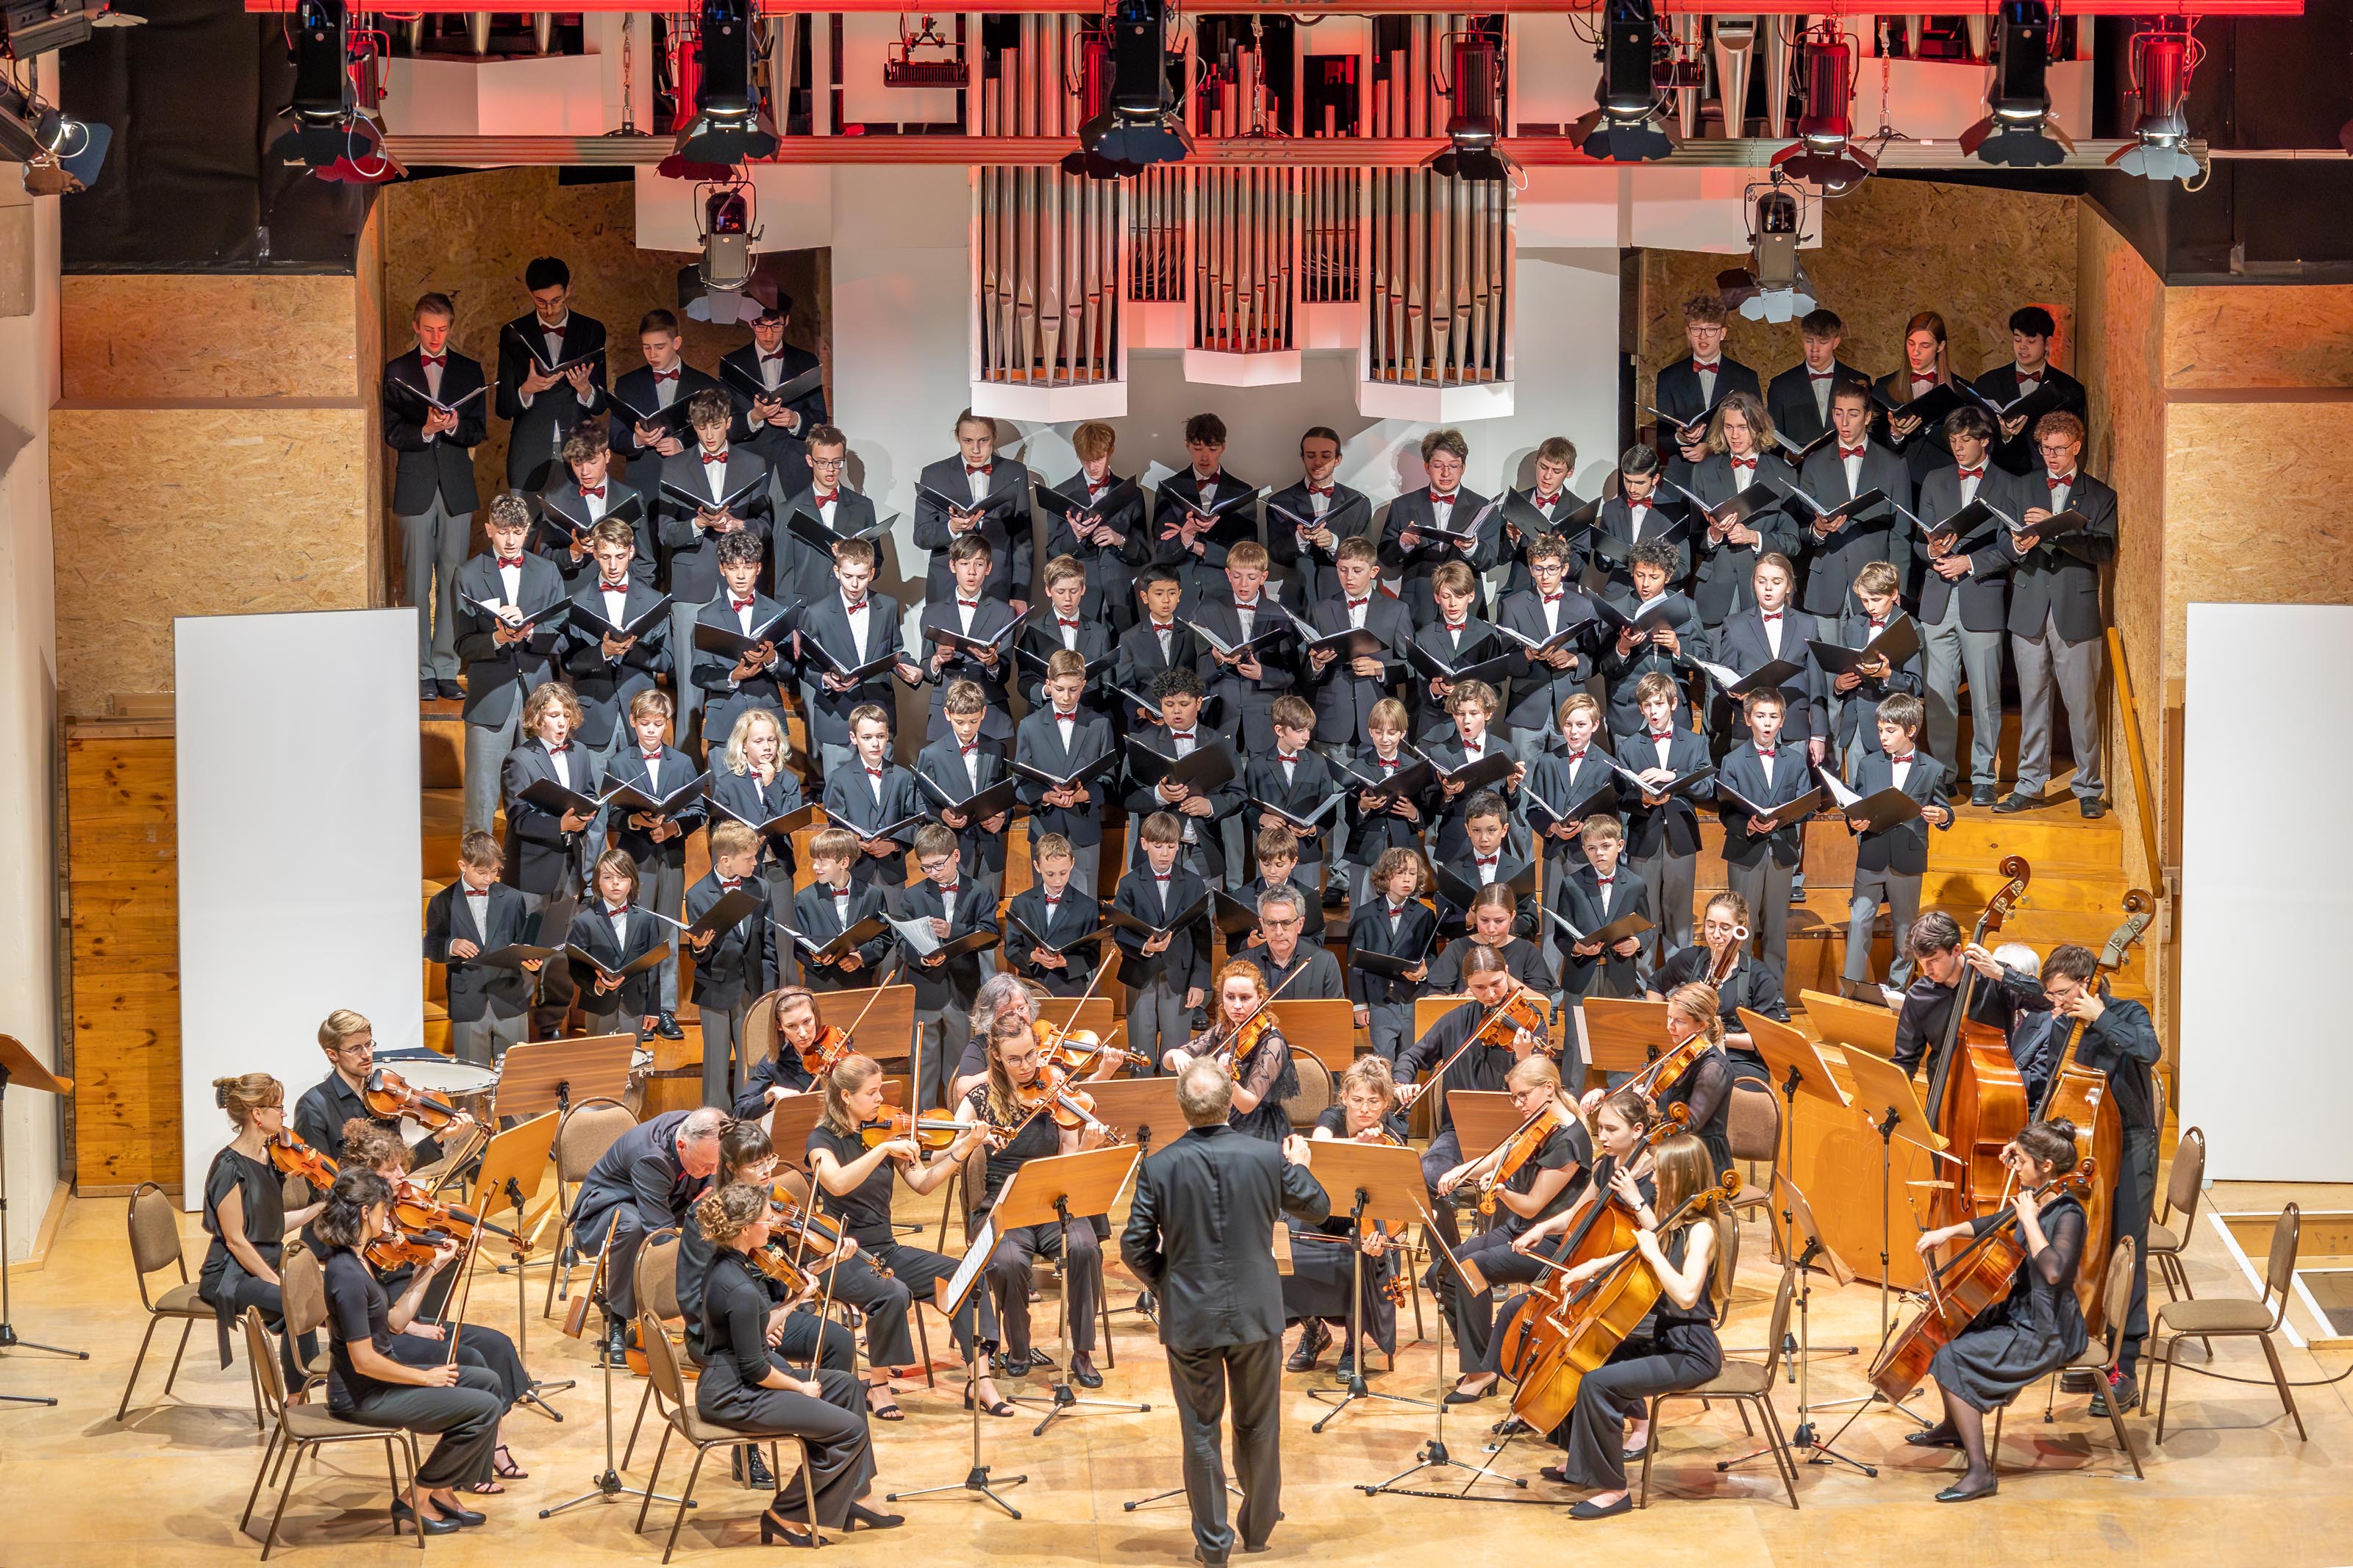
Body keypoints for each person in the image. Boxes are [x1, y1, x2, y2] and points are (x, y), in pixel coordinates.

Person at [1121, 1059, 1329, 1566]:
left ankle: (1214, 1546)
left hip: (1191, 1316)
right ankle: (1258, 1531)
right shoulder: (1265, 1156)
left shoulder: (1160, 1165)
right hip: (1257, 1314)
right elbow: (1318, 1206)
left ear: (1182, 1107)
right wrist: (1299, 1163)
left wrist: (1166, 1283)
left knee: (1200, 1429)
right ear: (1226, 1103)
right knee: (1259, 1425)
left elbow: (1133, 1246)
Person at [1532, 1131, 1730, 1518]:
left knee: (1597, 1384)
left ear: (1682, 1176)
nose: (1653, 1181)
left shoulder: (1703, 1230)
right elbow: (1638, 1248)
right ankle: (1581, 1464)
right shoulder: (1675, 1219)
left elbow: (1687, 1295)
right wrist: (1592, 1266)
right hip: (1667, 1339)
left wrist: (1655, 1255)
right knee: (1587, 1357)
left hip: (1692, 1351)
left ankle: (1613, 1489)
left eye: (1660, 1174)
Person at [805, 1051, 1013, 1417]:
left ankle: (979, 1380)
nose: (881, 1100)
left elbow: (923, 1182)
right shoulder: (821, 1141)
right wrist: (884, 1149)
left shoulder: (888, 1130)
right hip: (841, 1255)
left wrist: (963, 1148)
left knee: (964, 1275)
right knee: (893, 1293)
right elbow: (836, 1184)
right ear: (846, 1097)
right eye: (872, 1094)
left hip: (885, 1249)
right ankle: (878, 1386)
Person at [690, 1182, 896, 1544]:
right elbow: (756, 1368)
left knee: (847, 1386)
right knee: (849, 1430)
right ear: (745, 1230)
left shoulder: (729, 1264)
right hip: (735, 1395)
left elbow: (754, 1328)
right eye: (765, 1219)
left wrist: (794, 1299)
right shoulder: (735, 1286)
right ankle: (784, 1515)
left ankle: (854, 1494)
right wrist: (801, 1387)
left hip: (741, 1378)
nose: (771, 1224)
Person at [335, 1122, 528, 1492]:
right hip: (388, 1335)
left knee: (497, 1345)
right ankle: (474, 1467)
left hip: (406, 1318)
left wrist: (457, 1234)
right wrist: (412, 1325)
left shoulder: (395, 1212)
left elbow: (418, 1255)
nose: (402, 1175)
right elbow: (366, 1314)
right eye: (391, 1169)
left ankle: (492, 1446)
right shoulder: (355, 1240)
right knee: (469, 1358)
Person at [315, 1167, 507, 1536]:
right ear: (363, 1212)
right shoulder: (345, 1275)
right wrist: (425, 1377)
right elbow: (364, 1360)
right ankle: (414, 1497)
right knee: (484, 1409)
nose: (388, 1217)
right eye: (383, 1210)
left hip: (380, 1381)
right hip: (362, 1396)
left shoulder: (360, 1260)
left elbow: (396, 1321)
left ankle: (443, 1492)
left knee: (487, 1382)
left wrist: (431, 1268)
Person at [1905, 1120, 2090, 1502]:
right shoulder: (2035, 1193)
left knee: (1953, 1359)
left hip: (2048, 1329)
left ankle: (1979, 1472)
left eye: (2021, 1160)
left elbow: (2055, 1271)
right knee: (1946, 1332)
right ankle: (1955, 1427)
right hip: (2021, 1310)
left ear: (2047, 1166)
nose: (2015, 1165)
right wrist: (1948, 1232)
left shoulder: (2068, 1211)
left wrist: (2029, 1220)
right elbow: (1996, 1223)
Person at [958, 1017, 1115, 1388]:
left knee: (1085, 1247)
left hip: (1053, 1194)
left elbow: (1069, 1154)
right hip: (1002, 1200)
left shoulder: (1055, 1085)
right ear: (996, 1057)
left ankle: (1082, 1351)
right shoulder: (979, 1098)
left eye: (1031, 1054)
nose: (1027, 1066)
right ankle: (1018, 1347)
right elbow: (950, 1145)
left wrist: (1088, 1147)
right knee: (1007, 1261)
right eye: (1015, 1059)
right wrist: (970, 1141)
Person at [2040, 944, 2163, 1414]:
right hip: (2083, 1150)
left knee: (2126, 1246)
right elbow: (2055, 1085)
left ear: (2089, 986)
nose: (2057, 1003)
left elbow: (2149, 1053)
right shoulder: (2064, 1026)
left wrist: (2101, 1019)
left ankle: (2124, 1367)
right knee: (2084, 1247)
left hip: (2130, 1144)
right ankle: (2085, 1345)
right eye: (2053, 995)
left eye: (2065, 994)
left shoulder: (2130, 1013)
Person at [670, 1121, 857, 1417]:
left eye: (769, 1160)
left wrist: (821, 1266)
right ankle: (748, 1455)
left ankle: (827, 1438)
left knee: (840, 1340)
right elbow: (693, 1296)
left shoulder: (772, 1204)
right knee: (769, 1367)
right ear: (731, 1167)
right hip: (721, 1333)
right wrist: (752, 1328)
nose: (766, 1171)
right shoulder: (707, 1215)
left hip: (769, 1317)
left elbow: (779, 1274)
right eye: (756, 1165)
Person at [1434, 1056, 1590, 1401]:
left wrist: (1503, 1192)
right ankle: (1488, 1355)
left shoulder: (1569, 1140)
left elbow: (1534, 1204)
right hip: (1517, 1230)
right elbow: (1501, 1155)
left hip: (1550, 1242)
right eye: (1514, 1097)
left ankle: (1481, 1370)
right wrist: (1463, 1170)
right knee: (1440, 1271)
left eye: (1522, 1096)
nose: (1518, 1104)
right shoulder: (1539, 1121)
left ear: (1548, 1089)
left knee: (1468, 1270)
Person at [1998, 411, 2115, 820]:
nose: (2051, 456)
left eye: (2059, 449)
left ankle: (2088, 787)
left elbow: (2103, 550)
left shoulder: (2100, 495)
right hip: (2029, 607)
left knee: (2081, 703)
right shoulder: (2023, 485)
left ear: (2077, 447)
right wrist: (2017, 542)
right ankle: (2030, 785)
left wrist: (2055, 530)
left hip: (2075, 608)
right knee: (2032, 701)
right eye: (2045, 448)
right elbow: (2003, 538)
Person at [1395, 948, 1550, 1247]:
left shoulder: (1530, 1020)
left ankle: (1494, 1256)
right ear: (1467, 984)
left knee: (1503, 1178)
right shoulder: (1455, 1021)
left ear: (1507, 974)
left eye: (1497, 984)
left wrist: (1525, 1058)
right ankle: (1451, 1258)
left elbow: (1545, 1084)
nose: (1491, 995)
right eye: (1480, 987)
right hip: (1459, 1133)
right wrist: (1403, 1081)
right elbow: (1413, 1056)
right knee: (1425, 1175)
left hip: (1516, 1136)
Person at [1913, 407, 2024, 805]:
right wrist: (1930, 549)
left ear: (1985, 440)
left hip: (1981, 596)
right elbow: (1918, 540)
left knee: (1985, 694)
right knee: (1938, 693)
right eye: (1954, 442)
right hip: (1939, 600)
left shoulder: (2008, 483)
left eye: (1966, 441)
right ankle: (1943, 774)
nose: (1958, 449)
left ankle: (1982, 776)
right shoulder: (1935, 479)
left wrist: (1971, 562)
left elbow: (2014, 545)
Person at [385, 292, 488, 703]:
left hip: (456, 489)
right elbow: (391, 432)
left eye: (442, 329)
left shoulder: (469, 370)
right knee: (414, 582)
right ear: (415, 326)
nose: (435, 336)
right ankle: (419, 670)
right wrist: (426, 429)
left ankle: (446, 668)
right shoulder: (398, 370)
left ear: (451, 327)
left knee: (452, 581)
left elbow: (478, 431)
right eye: (428, 328)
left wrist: (453, 427)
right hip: (414, 486)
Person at [568, 1105, 726, 1366]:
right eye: (705, 1165)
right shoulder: (650, 1157)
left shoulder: (699, 1130)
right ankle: (618, 1320)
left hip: (668, 1196)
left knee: (721, 1210)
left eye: (715, 1165)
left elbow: (712, 1175)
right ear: (682, 1145)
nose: (712, 1171)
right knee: (632, 1227)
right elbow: (660, 1231)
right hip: (608, 1207)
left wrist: (710, 1191)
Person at [198, 1073, 322, 1388]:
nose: (284, 1115)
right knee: (295, 1301)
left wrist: (320, 1208)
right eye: (279, 1107)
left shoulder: (269, 1158)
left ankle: (299, 1390)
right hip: (231, 1275)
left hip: (265, 1264)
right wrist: (275, 1280)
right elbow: (236, 1241)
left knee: (312, 1296)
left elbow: (273, 1227)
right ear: (257, 1114)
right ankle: (298, 1392)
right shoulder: (229, 1166)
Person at [1285, 1058, 1407, 1378]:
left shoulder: (1393, 1135)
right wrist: (1355, 1145)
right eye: (1357, 1101)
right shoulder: (1332, 1118)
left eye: (1373, 1102)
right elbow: (1320, 1146)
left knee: (1364, 1257)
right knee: (1284, 1249)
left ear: (1385, 1104)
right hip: (1323, 1214)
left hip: (1364, 1223)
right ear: (1345, 1099)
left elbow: (1395, 1200)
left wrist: (1389, 1235)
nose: (1364, 1109)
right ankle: (1314, 1331)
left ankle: (1354, 1344)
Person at [452, 492, 564, 836]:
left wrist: (529, 634)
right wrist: (499, 637)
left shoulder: (546, 572)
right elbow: (462, 644)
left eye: (518, 531)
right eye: (503, 532)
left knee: (539, 795)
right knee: (482, 798)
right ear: (489, 529)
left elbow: (561, 636)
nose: (512, 540)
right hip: (490, 698)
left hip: (538, 698)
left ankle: (527, 877)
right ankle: (477, 880)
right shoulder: (468, 574)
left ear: (528, 529)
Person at [500, 681, 599, 1034]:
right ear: (537, 717)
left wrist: (587, 814)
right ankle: (513, 1025)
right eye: (554, 715)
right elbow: (519, 818)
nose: (562, 722)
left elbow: (588, 794)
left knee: (559, 952)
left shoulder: (580, 752)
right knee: (526, 954)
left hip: (569, 868)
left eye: (566, 715)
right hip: (531, 873)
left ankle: (551, 1022)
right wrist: (560, 823)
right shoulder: (520, 759)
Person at [603, 687, 702, 1037]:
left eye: (658, 724)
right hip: (636, 861)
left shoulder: (683, 762)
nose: (651, 731)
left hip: (671, 858)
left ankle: (664, 1010)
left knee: (668, 932)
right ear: (633, 722)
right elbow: (612, 814)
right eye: (644, 724)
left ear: (666, 724)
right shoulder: (618, 763)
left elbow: (698, 811)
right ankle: (637, 1007)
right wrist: (637, 821)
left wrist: (673, 827)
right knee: (636, 934)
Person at [1841, 692, 1954, 995]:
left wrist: (1942, 815)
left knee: (1905, 929)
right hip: (1872, 853)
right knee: (1859, 920)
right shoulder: (1868, 764)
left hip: (1907, 856)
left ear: (1911, 730)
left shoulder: (1932, 769)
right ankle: (1850, 989)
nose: (1883, 737)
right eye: (1880, 730)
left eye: (1890, 731)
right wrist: (1854, 822)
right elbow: (1856, 806)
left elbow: (1946, 811)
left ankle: (1897, 990)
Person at [796, 537, 923, 778]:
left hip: (878, 714)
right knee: (839, 797)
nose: (854, 584)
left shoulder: (887, 607)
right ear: (837, 571)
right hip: (837, 718)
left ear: (872, 573)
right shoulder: (817, 612)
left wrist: (910, 668)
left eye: (862, 577)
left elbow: (895, 650)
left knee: (881, 793)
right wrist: (824, 679)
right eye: (848, 576)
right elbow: (804, 666)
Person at [900, 821, 1000, 1115]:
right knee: (923, 1066)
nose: (933, 873)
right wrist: (922, 958)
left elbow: (990, 935)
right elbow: (902, 943)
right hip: (926, 989)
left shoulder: (980, 891)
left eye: (938, 865)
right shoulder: (912, 895)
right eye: (926, 867)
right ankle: (923, 1127)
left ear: (956, 856)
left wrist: (952, 931)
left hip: (962, 990)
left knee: (959, 1067)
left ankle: (959, 1124)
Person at [1712, 684, 1816, 965]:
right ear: (1748, 720)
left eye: (1773, 716)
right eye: (1760, 716)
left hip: (1781, 852)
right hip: (1746, 851)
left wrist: (1782, 817)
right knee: (1742, 929)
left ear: (1782, 721)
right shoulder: (1733, 761)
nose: (1767, 723)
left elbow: (1806, 807)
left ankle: (1775, 999)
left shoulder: (1795, 761)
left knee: (1776, 929)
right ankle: (1740, 996)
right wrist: (1749, 825)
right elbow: (1726, 810)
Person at [1792, 383, 1913, 617]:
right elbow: (1801, 529)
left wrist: (1896, 590)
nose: (1844, 422)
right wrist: (1818, 529)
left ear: (1867, 417)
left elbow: (1901, 535)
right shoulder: (1814, 463)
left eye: (1853, 414)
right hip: (1825, 586)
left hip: (1876, 588)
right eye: (1839, 413)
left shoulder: (1893, 465)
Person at [1642, 892, 1789, 1079]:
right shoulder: (1690, 959)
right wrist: (1669, 1023)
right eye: (1710, 926)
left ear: (1741, 929)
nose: (1716, 935)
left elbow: (1767, 1037)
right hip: (1690, 1055)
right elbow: (1655, 984)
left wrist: (1718, 1037)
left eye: (1725, 928)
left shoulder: (1759, 976)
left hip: (1739, 1061)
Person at [294, 1009, 467, 1167]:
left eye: (369, 1044)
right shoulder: (313, 1107)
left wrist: (440, 1136)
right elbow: (322, 1187)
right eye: (355, 1049)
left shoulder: (384, 1097)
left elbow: (398, 1168)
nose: (367, 1054)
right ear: (333, 1054)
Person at [561, 517, 671, 764]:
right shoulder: (577, 602)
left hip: (642, 716)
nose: (613, 565)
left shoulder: (653, 600)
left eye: (620, 556)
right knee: (595, 796)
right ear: (595, 554)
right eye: (606, 557)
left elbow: (666, 661)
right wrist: (602, 652)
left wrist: (631, 649)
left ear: (631, 552)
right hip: (594, 714)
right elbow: (568, 662)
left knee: (639, 798)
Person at [1682, 391, 1796, 629]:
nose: (1734, 435)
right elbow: (1694, 535)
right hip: (1715, 590)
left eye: (1742, 427)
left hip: (1762, 592)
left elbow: (1793, 542)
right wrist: (1713, 536)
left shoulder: (1783, 474)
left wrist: (1755, 537)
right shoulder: (1704, 471)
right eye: (1728, 427)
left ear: (1758, 427)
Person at [493, 255, 607, 492]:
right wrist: (527, 390)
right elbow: (503, 408)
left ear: (568, 291)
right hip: (528, 455)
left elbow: (600, 405)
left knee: (576, 528)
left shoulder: (591, 330)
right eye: (540, 302)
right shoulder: (513, 332)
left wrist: (585, 388)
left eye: (556, 300)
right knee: (527, 528)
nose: (549, 309)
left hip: (579, 453)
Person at [424, 828, 536, 1068]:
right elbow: (431, 945)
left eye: (494, 872)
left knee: (515, 1077)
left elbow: (523, 941)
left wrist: (533, 961)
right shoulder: (441, 902)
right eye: (482, 872)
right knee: (473, 1081)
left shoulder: (513, 898)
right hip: (469, 1002)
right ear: (462, 865)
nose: (489, 879)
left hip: (510, 998)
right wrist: (451, 945)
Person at [1888, 911, 2047, 1080]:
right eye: (1921, 962)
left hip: (1990, 1089)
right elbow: (1905, 1060)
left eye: (1934, 960)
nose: (1927, 971)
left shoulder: (1993, 979)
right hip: (1941, 1095)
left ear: (1956, 949)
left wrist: (2000, 973)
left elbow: (2046, 1001)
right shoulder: (1919, 995)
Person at [1617, 670, 1708, 962]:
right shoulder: (1629, 746)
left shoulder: (1695, 744)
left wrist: (1674, 777)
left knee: (1680, 915)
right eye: (1647, 705)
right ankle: (1644, 986)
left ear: (1673, 703)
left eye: (1658, 704)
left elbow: (1707, 787)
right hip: (1645, 839)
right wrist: (1643, 800)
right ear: (1641, 708)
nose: (1653, 711)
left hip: (1681, 837)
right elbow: (1622, 797)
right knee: (1643, 914)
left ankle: (1679, 981)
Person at [1115, 811, 1214, 1075]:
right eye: (1158, 846)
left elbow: (1203, 936)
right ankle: (1141, 1106)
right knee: (1141, 1052)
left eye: (1171, 846)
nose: (1165, 853)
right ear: (1145, 843)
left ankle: (1173, 1108)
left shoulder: (1193, 883)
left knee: (1177, 1052)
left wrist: (1200, 982)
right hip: (1141, 974)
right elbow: (1120, 932)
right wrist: (1145, 947)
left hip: (1179, 977)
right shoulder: (1129, 884)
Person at [1162, 959, 1302, 1145]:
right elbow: (1167, 1062)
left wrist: (1227, 1078)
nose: (1237, 1005)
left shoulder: (1272, 1041)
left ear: (1259, 998)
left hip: (1258, 1128)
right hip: (1221, 1119)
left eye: (1245, 998)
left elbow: (1248, 1104)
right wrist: (1176, 1054)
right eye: (1230, 997)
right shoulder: (1224, 1029)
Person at [1015, 648, 1115, 896]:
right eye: (1059, 689)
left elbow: (1110, 779)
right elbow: (1020, 781)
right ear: (1048, 684)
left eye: (1073, 689)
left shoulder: (1099, 724)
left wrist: (1086, 795)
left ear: (1083, 685)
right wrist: (1046, 797)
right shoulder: (1030, 725)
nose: (1066, 697)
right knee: (1044, 906)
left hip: (1084, 829)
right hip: (1045, 828)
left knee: (1085, 900)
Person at [686, 822, 771, 1108]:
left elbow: (768, 944)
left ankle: (748, 1120)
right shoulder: (697, 894)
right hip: (716, 988)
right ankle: (714, 1127)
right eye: (748, 858)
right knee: (716, 1065)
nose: (755, 863)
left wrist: (770, 994)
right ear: (725, 860)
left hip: (751, 986)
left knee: (752, 1062)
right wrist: (698, 948)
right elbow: (702, 952)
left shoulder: (761, 888)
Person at [915, 409, 1033, 610]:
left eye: (983, 440)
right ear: (957, 437)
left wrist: (1020, 593)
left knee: (997, 643)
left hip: (998, 585)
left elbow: (1023, 539)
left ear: (994, 437)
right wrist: (952, 528)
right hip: (946, 586)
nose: (976, 450)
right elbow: (921, 536)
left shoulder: (1015, 472)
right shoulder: (934, 475)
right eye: (968, 441)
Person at [692, 529, 791, 759]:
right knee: (724, 791)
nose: (740, 575)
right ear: (722, 569)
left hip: (767, 715)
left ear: (758, 568)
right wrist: (733, 676)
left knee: (768, 790)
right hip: (725, 718)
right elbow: (698, 674)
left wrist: (772, 660)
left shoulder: (776, 612)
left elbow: (791, 670)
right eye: (733, 567)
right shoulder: (707, 615)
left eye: (747, 567)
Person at [1383, 427, 1495, 623]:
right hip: (1417, 606)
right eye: (1438, 465)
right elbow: (1385, 558)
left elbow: (1490, 560)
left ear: (1463, 467)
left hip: (1466, 608)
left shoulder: (1483, 507)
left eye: (1453, 466)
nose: (1446, 473)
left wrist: (1472, 548)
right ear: (1427, 467)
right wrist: (1403, 544)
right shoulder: (1403, 505)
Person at [1047, 420, 1150, 629]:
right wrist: (1076, 537)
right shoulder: (1060, 494)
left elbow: (1144, 554)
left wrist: (1119, 540)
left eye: (1099, 459)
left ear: (1110, 451)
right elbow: (1052, 554)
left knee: (1124, 659)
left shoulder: (1131, 493)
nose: (1093, 467)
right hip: (1080, 596)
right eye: (1086, 461)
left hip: (1120, 596)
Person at [1599, 542, 1702, 742]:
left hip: (1673, 711)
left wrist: (1677, 647)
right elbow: (1604, 667)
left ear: (1668, 576)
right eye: (1640, 575)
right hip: (1627, 714)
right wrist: (1623, 648)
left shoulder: (1687, 607)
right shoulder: (1616, 607)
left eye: (1654, 577)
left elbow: (1704, 658)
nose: (1645, 584)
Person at [919, 534, 1018, 742]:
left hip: (989, 714)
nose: (972, 572)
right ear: (953, 566)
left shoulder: (1004, 613)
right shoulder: (932, 613)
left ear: (988, 568)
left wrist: (992, 663)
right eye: (965, 564)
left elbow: (1006, 672)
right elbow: (926, 668)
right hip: (946, 714)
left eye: (979, 564)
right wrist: (937, 660)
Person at [1654, 296, 1760, 487]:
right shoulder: (1668, 377)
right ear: (1688, 332)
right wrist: (1681, 438)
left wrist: (1712, 448)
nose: (1703, 337)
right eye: (1696, 329)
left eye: (1711, 329)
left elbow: (1755, 432)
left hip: (1731, 475)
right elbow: (1662, 440)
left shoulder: (1746, 377)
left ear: (1723, 333)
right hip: (1684, 477)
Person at [1267, 425, 1371, 616]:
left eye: (1325, 456)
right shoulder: (1279, 502)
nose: (1318, 462)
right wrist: (1298, 540)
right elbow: (1275, 554)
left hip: (1341, 598)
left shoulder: (1358, 502)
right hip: (1297, 599)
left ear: (1338, 459)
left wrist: (1334, 543)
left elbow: (1365, 555)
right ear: (1303, 457)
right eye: (1311, 455)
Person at [1345, 847, 1436, 1064]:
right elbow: (1355, 963)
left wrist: (1425, 970)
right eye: (1400, 872)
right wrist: (1360, 1004)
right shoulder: (1365, 914)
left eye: (1412, 874)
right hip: (1380, 1000)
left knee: (1410, 1060)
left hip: (1412, 998)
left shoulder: (1425, 914)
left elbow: (1432, 955)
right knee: (1383, 1062)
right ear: (1386, 876)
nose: (1407, 879)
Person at [917, 679, 1012, 884]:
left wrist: (1003, 816)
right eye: (960, 722)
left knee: (988, 911)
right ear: (947, 715)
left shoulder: (996, 749)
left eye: (974, 721)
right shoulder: (931, 754)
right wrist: (942, 814)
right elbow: (921, 803)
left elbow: (1006, 794)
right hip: (952, 850)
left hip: (990, 847)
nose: (967, 729)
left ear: (983, 714)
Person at [1150, 412, 1254, 599]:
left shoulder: (1242, 493)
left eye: (1212, 449)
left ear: (1223, 447)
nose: (1205, 457)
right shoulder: (1169, 489)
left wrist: (1191, 544)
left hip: (1225, 591)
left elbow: (1246, 558)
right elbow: (1162, 554)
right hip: (1180, 592)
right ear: (1187, 445)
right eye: (1198, 449)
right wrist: (1185, 535)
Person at [1975, 304, 2087, 476]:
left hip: (2046, 478)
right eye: (2017, 339)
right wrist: (2002, 433)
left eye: (2031, 341)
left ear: (2048, 343)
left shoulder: (2070, 390)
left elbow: (2077, 447)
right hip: (1998, 478)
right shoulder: (1987, 384)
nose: (2022, 347)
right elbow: (1974, 438)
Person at [820, 704, 923, 891]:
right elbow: (835, 826)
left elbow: (914, 821)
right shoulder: (838, 778)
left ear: (887, 735)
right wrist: (854, 842)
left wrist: (893, 844)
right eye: (867, 737)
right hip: (854, 868)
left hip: (891, 872)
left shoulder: (903, 777)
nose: (875, 744)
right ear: (853, 738)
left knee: (894, 919)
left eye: (880, 736)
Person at [568, 848, 666, 1039]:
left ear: (632, 880)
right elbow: (575, 966)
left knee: (633, 1061)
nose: (615, 883)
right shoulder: (584, 921)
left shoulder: (647, 920)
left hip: (634, 1006)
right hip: (599, 1006)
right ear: (597, 881)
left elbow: (653, 968)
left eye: (622, 876)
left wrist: (653, 1009)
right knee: (600, 1064)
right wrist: (597, 983)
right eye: (607, 877)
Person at [1550, 815, 1648, 1007]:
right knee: (1577, 1036)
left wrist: (1636, 942)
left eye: (1605, 846)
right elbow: (1561, 935)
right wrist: (1577, 948)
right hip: (1581, 976)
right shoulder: (1571, 885)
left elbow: (1647, 927)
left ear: (1620, 845)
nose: (1599, 853)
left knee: (1616, 1035)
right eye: (1592, 848)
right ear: (1585, 850)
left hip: (1620, 978)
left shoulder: (1636, 884)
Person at [707, 705, 804, 891]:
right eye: (758, 741)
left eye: (771, 740)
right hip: (740, 868)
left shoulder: (788, 779)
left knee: (781, 919)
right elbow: (717, 829)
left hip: (777, 865)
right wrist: (745, 840)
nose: (767, 747)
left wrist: (771, 785)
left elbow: (791, 817)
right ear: (743, 745)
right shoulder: (727, 783)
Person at [788, 826, 896, 990]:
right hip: (821, 983)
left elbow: (884, 938)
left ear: (844, 862)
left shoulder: (872, 895)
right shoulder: (805, 898)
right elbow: (799, 946)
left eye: (822, 861)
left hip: (859, 981)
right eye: (814, 860)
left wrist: (859, 956)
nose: (815, 867)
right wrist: (817, 960)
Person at [608, 307, 719, 466]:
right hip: (644, 479)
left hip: (692, 475)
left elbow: (721, 434)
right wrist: (638, 440)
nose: (652, 355)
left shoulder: (706, 385)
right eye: (646, 347)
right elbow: (616, 439)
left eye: (660, 347)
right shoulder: (627, 384)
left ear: (676, 343)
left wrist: (683, 445)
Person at [1874, 309, 1960, 491]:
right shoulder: (1883, 387)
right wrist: (1896, 435)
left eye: (1925, 345)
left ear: (1941, 346)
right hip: (1899, 482)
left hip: (1943, 482)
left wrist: (1928, 429)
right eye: (1911, 343)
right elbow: (1877, 444)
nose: (1915, 352)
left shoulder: (1959, 390)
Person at [1765, 307, 1872, 452]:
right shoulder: (1780, 386)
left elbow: (1870, 433)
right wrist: (1788, 458)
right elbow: (1773, 441)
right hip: (1799, 472)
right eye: (1809, 341)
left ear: (1836, 342)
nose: (1814, 349)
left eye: (1823, 342)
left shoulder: (1859, 381)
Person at [1427, 881, 1557, 995]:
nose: (1491, 929)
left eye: (1499, 921)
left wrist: (1508, 980)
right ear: (1475, 915)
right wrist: (1461, 998)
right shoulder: (1456, 948)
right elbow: (1432, 1000)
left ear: (1512, 916)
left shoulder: (1528, 951)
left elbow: (1542, 1001)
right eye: (1484, 920)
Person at [1235, 881, 1343, 1001]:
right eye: (1271, 923)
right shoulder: (1240, 964)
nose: (1278, 932)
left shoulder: (1324, 962)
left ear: (1300, 924)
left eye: (1286, 923)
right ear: (1262, 924)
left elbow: (1336, 1015)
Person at [732, 984, 819, 1116]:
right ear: (779, 1026)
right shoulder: (774, 1061)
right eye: (792, 1026)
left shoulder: (837, 1043)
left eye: (807, 1021)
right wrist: (770, 1095)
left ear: (815, 1016)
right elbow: (740, 1110)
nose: (802, 1033)